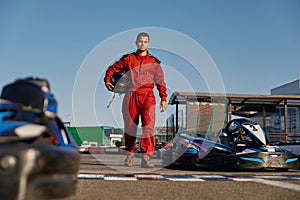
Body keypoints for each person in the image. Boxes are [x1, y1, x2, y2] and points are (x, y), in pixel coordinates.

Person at [104, 32, 167, 168]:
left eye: (145, 42)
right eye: (140, 41)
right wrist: (107, 79)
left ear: (148, 44)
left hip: (148, 96)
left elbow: (160, 81)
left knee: (148, 126)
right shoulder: (128, 59)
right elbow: (112, 69)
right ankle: (130, 154)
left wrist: (163, 98)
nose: (142, 44)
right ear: (136, 43)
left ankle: (146, 157)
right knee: (130, 127)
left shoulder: (154, 63)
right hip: (131, 95)